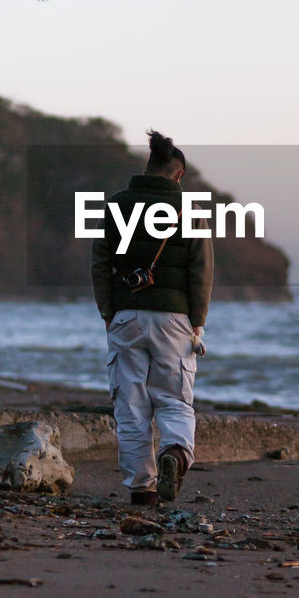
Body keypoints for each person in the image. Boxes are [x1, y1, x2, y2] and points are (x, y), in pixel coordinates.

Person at [91, 130, 214, 505]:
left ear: (148, 168)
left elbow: (101, 263)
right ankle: (174, 454)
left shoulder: (116, 206)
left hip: (126, 315)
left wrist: (108, 312)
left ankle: (141, 489)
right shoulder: (190, 211)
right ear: (178, 175)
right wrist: (197, 320)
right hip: (174, 319)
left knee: (130, 404)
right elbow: (201, 270)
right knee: (175, 399)